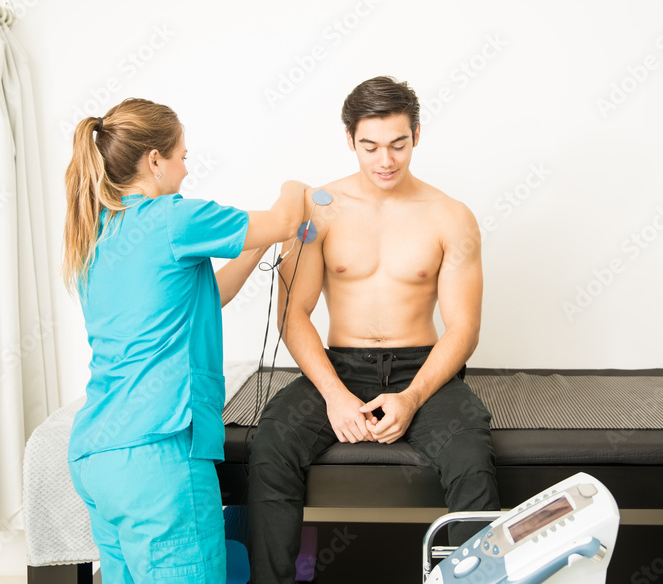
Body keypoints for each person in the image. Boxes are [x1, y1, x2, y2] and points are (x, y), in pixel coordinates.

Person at [247, 76, 500, 582]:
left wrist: (411, 398)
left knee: (472, 458)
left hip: (422, 370)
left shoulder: (451, 216)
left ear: (417, 136)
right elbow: (294, 316)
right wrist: (336, 396)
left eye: (398, 145)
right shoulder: (318, 211)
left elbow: (464, 328)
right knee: (271, 444)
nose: (385, 160)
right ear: (350, 140)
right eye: (371, 146)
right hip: (339, 365)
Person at [62, 97, 306, 582]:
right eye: (182, 158)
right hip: (157, 458)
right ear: (155, 160)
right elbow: (284, 216)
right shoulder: (173, 218)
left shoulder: (99, 233)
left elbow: (208, 297)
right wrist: (297, 187)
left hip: (99, 458)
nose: (185, 171)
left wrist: (260, 244)